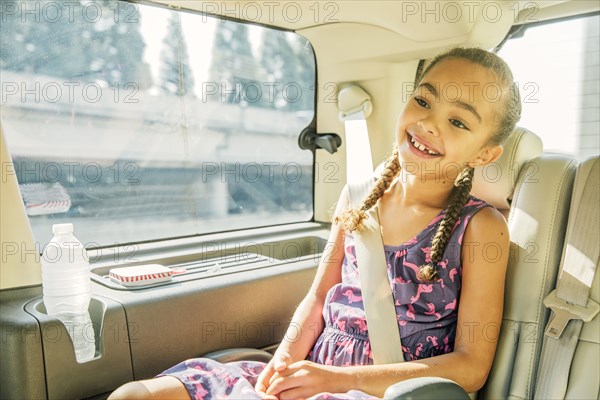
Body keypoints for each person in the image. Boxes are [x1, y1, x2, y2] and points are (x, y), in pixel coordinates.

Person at [109, 47, 521, 400]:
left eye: (459, 122)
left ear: (484, 155)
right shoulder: (359, 197)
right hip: (315, 372)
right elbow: (319, 299)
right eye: (424, 101)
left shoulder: (481, 228)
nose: (429, 124)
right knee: (134, 395)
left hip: (382, 390)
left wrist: (337, 380)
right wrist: (283, 365)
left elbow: (471, 367)